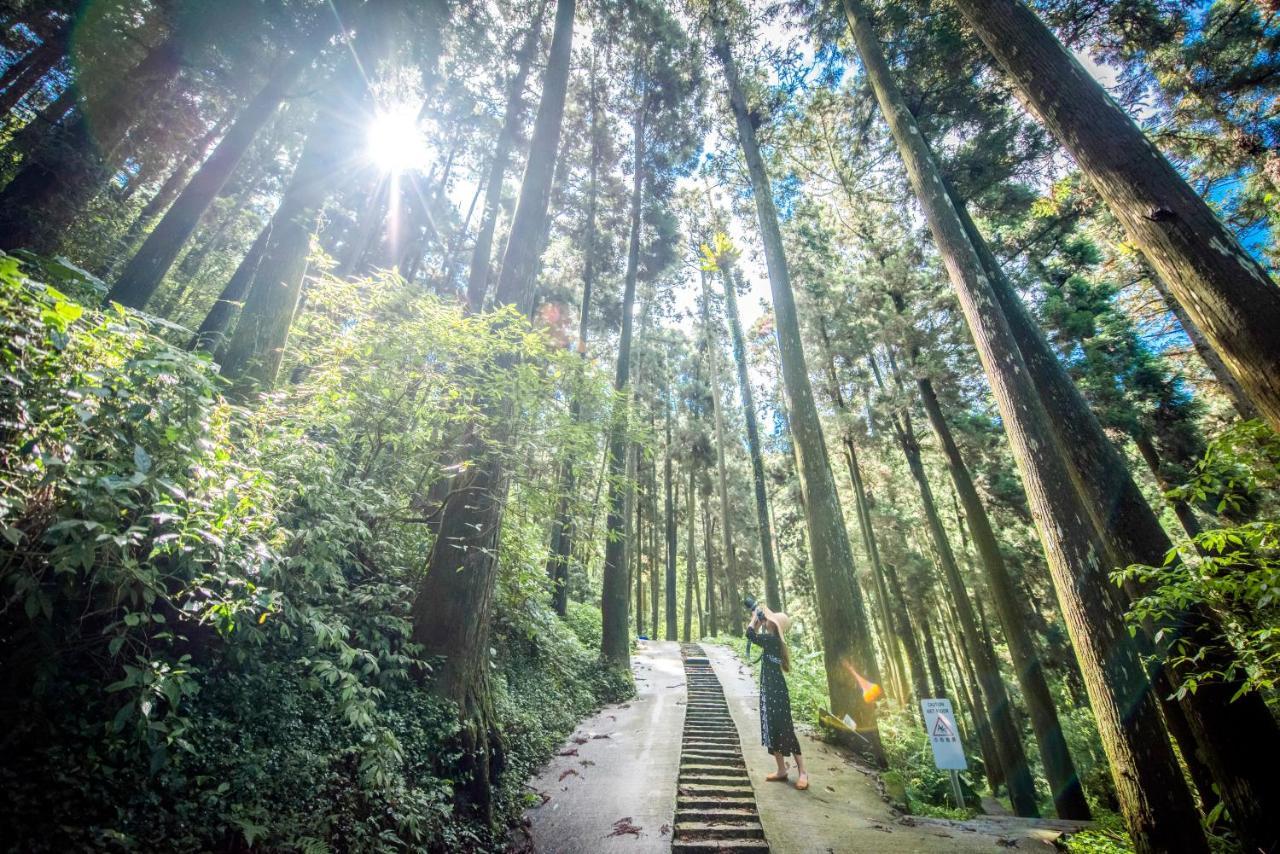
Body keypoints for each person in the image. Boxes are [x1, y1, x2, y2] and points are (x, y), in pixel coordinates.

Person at [746, 605, 808, 790]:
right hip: (770, 690)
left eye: (769, 621)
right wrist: (758, 620)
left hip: (777, 692)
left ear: (774, 626)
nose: (766, 622)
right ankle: (781, 770)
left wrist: (753, 619)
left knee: (785, 729)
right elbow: (754, 635)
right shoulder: (771, 639)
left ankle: (803, 772)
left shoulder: (773, 641)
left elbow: (750, 635)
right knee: (772, 728)